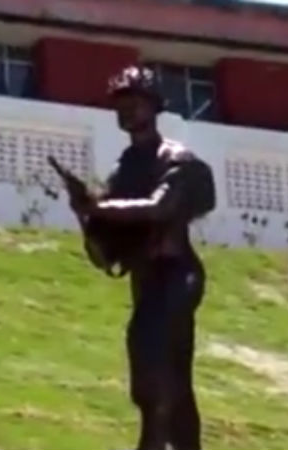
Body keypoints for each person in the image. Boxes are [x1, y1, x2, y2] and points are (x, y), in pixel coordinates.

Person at [64, 65, 216, 450]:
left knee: (157, 365)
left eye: (135, 102)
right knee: (162, 377)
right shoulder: (124, 169)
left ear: (153, 106)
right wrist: (85, 214)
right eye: (121, 104)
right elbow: (104, 255)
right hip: (145, 280)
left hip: (177, 275)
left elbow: (159, 208)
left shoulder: (177, 159)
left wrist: (98, 209)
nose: (127, 110)